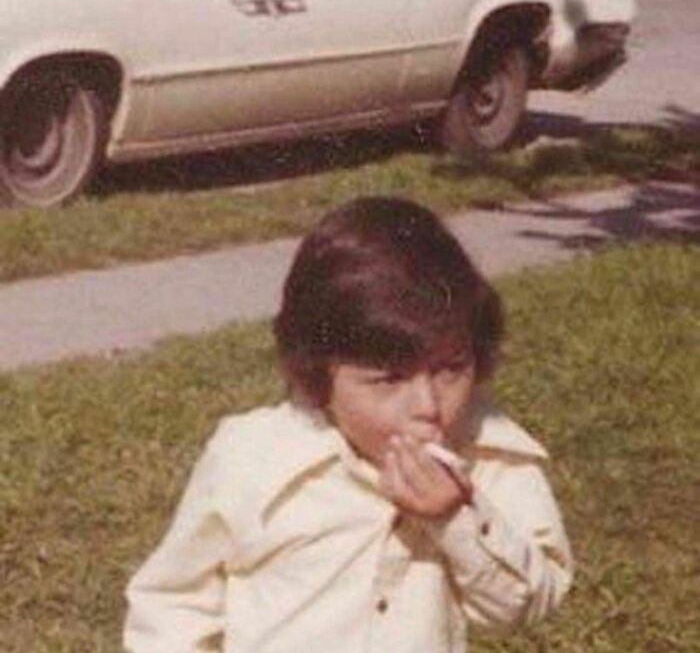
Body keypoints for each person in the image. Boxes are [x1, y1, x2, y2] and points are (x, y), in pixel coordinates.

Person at [123, 196, 573, 653]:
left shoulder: (489, 456)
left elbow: (526, 603)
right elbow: (172, 603)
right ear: (318, 375)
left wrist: (455, 518)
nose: (428, 406)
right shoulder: (252, 458)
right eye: (389, 379)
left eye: (450, 369)